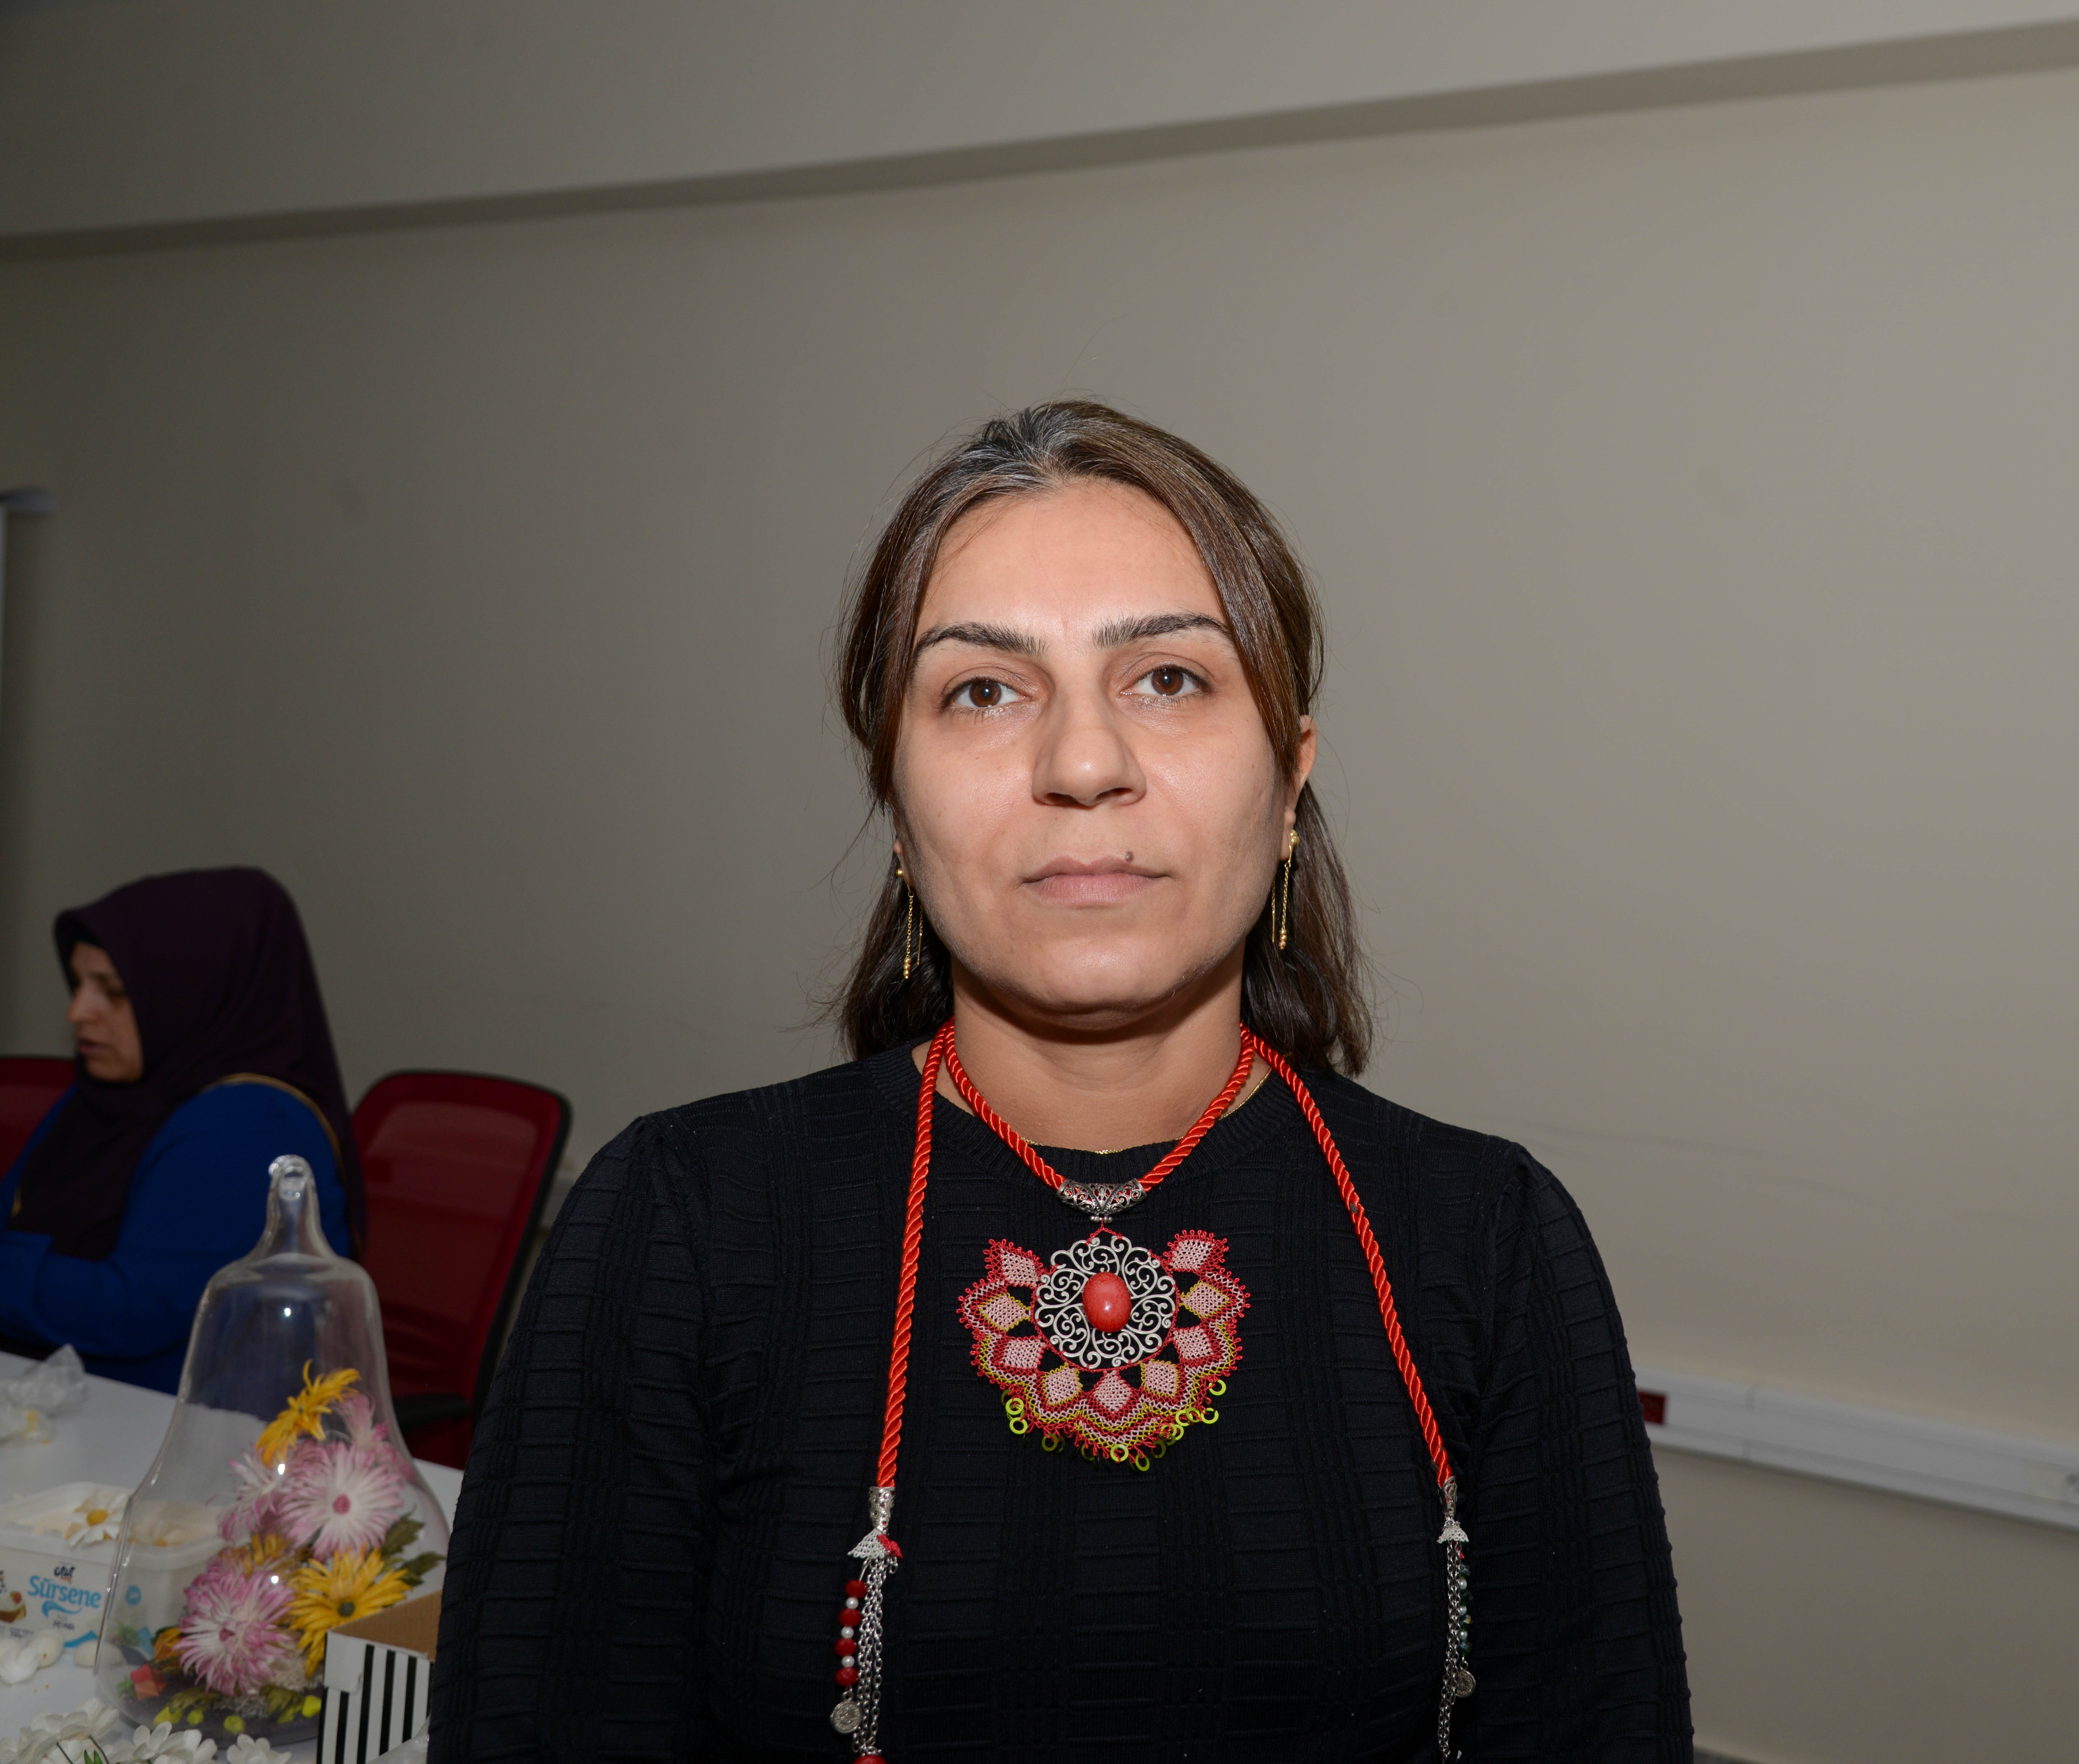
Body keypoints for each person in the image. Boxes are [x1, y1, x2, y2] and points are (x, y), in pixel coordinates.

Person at [432, 404, 1692, 1761]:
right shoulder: (679, 1219)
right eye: (983, 690)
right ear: (896, 798)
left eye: (1170, 678)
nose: (1083, 765)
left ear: (1289, 780)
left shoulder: (1487, 1235)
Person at [0, 867, 362, 1392]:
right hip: (74, 1398)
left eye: (114, 991)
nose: (78, 1011)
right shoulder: (107, 1095)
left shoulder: (250, 1121)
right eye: (78, 984)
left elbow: (132, 1310)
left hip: (192, 1424)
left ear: (193, 991)